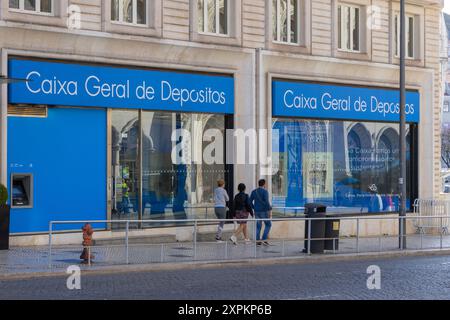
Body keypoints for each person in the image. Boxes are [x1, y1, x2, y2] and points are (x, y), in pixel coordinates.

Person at [250, 179, 273, 246]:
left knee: (258, 226)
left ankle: (258, 241)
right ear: (264, 184)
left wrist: (254, 207)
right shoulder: (265, 192)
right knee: (268, 225)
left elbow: (250, 201)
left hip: (257, 211)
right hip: (264, 211)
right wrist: (269, 209)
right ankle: (264, 239)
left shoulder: (254, 191)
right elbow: (266, 202)